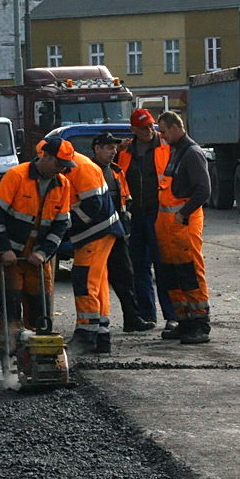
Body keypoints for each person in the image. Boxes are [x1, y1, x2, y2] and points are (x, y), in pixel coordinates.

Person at [0, 138, 75, 364]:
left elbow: (61, 224)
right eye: (59, 163)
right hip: (12, 258)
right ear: (45, 156)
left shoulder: (62, 184)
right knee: (11, 307)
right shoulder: (17, 176)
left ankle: (40, 355)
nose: (62, 169)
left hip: (38, 259)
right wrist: (4, 249)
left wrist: (44, 253)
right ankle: (8, 356)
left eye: (65, 165)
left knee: (41, 308)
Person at [117, 108, 180, 338]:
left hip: (159, 213)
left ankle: (172, 315)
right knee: (139, 267)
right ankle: (147, 314)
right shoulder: (125, 152)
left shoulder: (166, 146)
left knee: (163, 266)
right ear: (133, 129)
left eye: (150, 126)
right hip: (136, 216)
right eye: (142, 128)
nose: (148, 131)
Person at [60, 138, 126, 354]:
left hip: (96, 233)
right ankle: (100, 334)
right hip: (96, 233)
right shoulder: (75, 167)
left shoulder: (83, 168)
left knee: (85, 280)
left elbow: (92, 207)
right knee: (96, 283)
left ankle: (87, 334)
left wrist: (65, 227)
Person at [90, 132, 157, 333]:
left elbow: (125, 200)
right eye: (109, 148)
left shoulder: (117, 172)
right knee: (95, 281)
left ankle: (132, 319)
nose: (113, 152)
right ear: (97, 149)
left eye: (114, 148)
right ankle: (93, 324)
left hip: (116, 233)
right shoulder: (88, 171)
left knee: (126, 276)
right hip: (94, 235)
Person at [154, 111, 212, 344]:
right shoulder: (176, 151)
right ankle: (185, 321)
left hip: (183, 226)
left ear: (176, 127)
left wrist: (183, 214)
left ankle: (200, 324)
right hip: (169, 230)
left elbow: (203, 190)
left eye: (165, 131)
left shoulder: (192, 153)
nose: (163, 136)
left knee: (190, 274)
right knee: (172, 277)